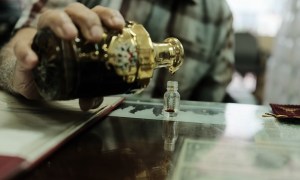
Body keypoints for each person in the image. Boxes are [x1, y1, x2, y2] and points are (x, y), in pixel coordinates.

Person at [0, 0, 234, 110]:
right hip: (66, 135)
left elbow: (207, 111)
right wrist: (18, 72)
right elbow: (18, 45)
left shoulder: (218, 15)